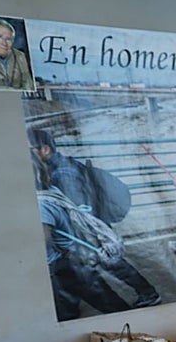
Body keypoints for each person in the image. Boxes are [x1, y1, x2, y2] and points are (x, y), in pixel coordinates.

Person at [28, 127, 160, 308]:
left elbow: (80, 206)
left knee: (109, 262)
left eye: (30, 149)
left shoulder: (62, 173)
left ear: (45, 149)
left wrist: (90, 233)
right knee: (109, 263)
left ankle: (146, 294)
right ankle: (143, 294)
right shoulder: (57, 166)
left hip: (88, 226)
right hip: (88, 224)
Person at [32, 151, 132, 321]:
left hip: (62, 266)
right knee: (108, 303)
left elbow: (41, 239)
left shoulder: (41, 204)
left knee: (71, 315)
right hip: (73, 262)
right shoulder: (51, 191)